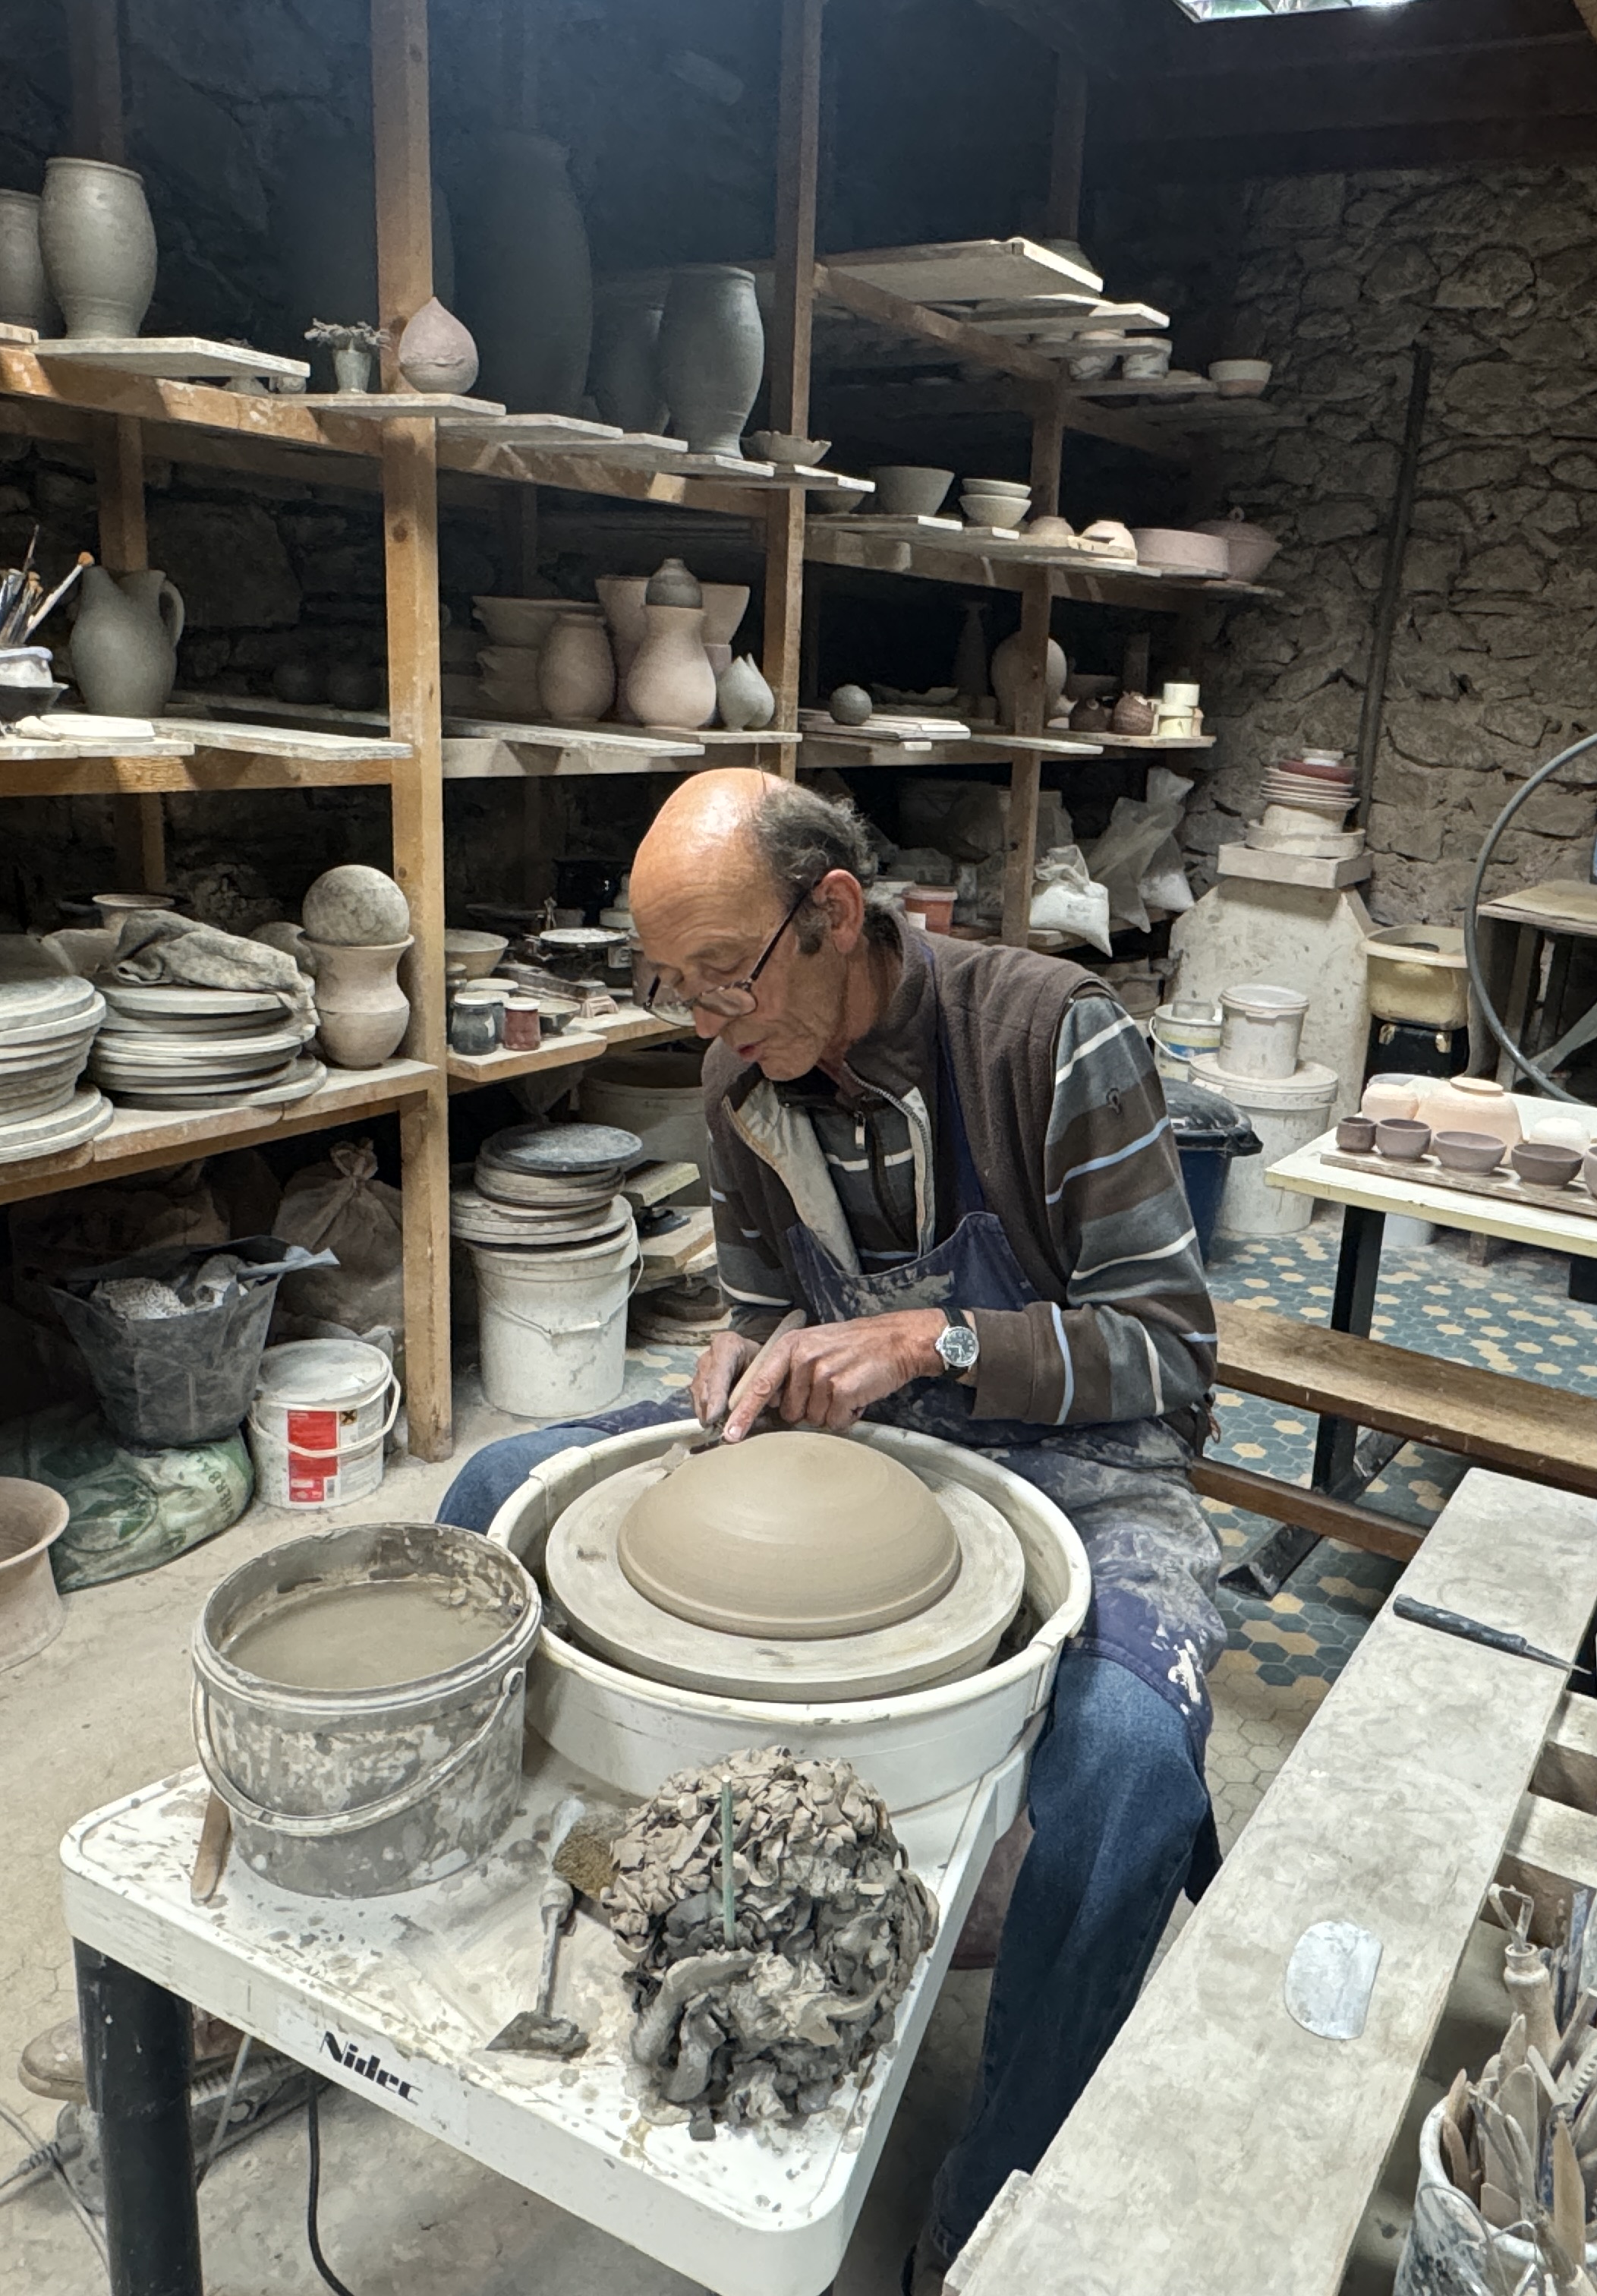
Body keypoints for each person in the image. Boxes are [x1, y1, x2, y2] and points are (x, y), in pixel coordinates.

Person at [439, 769, 1224, 2285]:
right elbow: (763, 1320)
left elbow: (1172, 1359)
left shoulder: (1052, 1038)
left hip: (1084, 1463)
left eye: (727, 978)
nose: (712, 1026)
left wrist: (935, 1342)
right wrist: (741, 1362)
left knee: (1128, 1762)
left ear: (837, 916)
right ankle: (459, 1928)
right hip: (846, 1451)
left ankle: (991, 2205)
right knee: (492, 1500)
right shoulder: (740, 1085)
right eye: (679, 993)